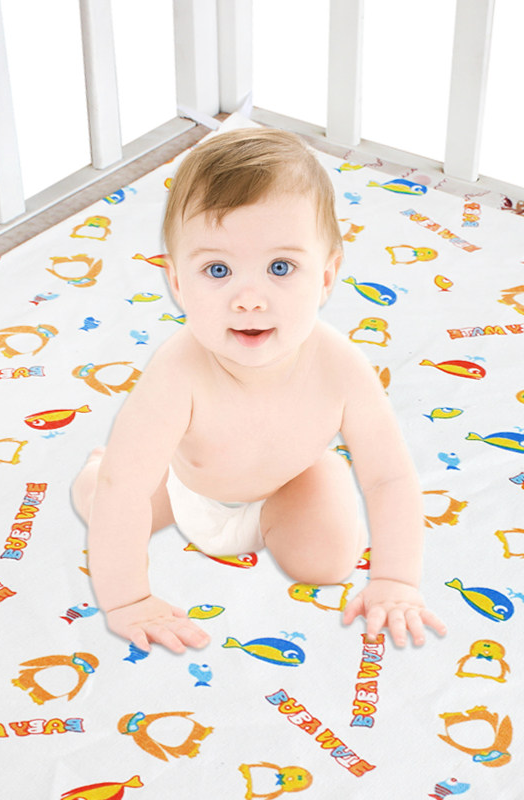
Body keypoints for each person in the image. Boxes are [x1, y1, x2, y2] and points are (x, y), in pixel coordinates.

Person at [72, 127, 445, 654]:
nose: (249, 299)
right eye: (217, 270)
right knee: (106, 498)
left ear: (327, 276)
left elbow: (388, 477)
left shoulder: (340, 366)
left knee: (330, 562)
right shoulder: (178, 371)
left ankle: (304, 505)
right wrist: (128, 600)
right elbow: (125, 490)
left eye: (280, 267)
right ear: (177, 282)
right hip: (183, 491)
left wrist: (396, 580)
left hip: (289, 487)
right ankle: (97, 464)